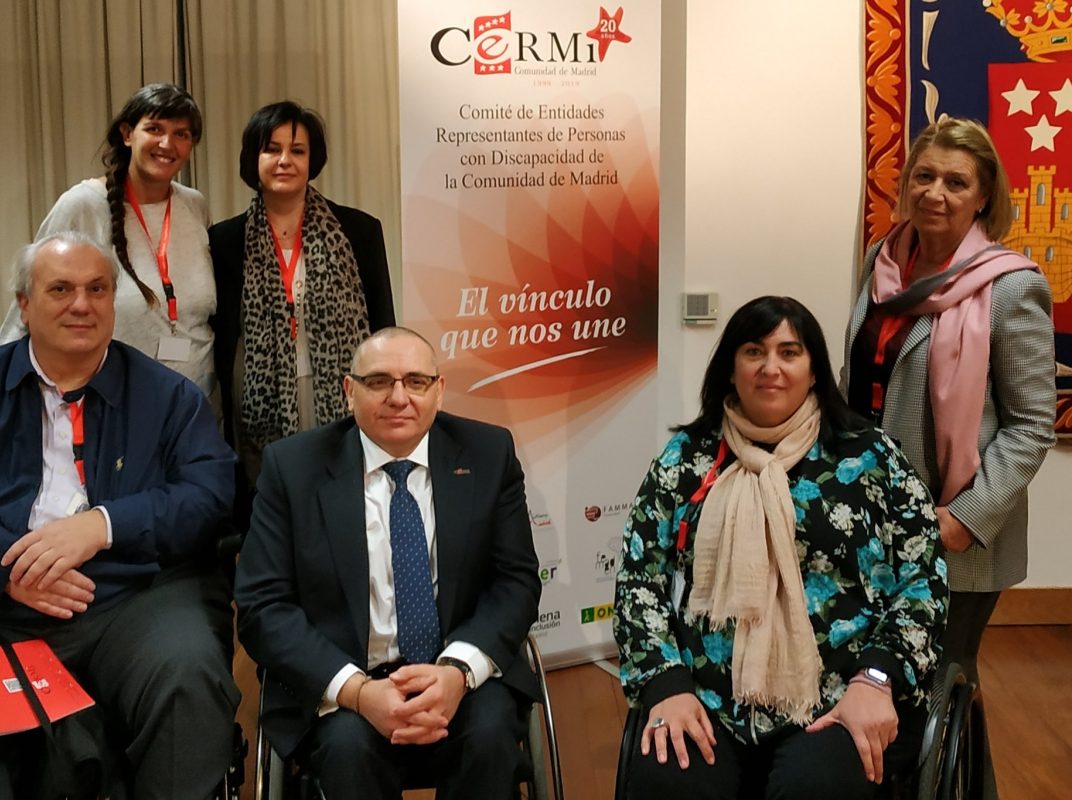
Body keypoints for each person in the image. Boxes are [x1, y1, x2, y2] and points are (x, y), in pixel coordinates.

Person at [0, 232, 240, 799]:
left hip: (133, 598)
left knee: (188, 676)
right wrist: (5, 570)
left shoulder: (170, 398)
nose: (82, 304)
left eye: (98, 289)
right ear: (24, 304)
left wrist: (103, 524)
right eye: (61, 289)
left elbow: (212, 493)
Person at [614, 296, 947, 800]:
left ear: (814, 371)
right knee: (671, 780)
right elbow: (641, 578)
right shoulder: (686, 459)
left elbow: (923, 580)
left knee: (815, 789)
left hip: (839, 697)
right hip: (706, 698)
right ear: (731, 367)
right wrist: (667, 686)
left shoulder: (870, 457)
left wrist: (876, 679)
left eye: (789, 352)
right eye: (754, 351)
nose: (771, 367)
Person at [841, 117, 1055, 797]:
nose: (935, 192)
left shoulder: (1012, 288)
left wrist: (961, 518)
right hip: (871, 521)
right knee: (883, 689)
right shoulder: (885, 259)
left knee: (941, 693)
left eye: (956, 181)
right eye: (923, 176)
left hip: (954, 535)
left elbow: (1029, 427)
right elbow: (863, 383)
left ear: (983, 197)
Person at [234, 326, 540, 800]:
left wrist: (458, 672)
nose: (399, 397)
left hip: (456, 675)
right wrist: (356, 691)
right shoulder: (292, 469)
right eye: (379, 381)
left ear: (438, 391)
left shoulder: (488, 453)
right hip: (347, 684)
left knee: (491, 735)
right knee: (346, 752)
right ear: (348, 390)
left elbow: (516, 581)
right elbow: (262, 605)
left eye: (416, 381)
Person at [209, 100, 395, 526]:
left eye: (297, 150)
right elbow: (222, 332)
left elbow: (382, 321)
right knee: (277, 500)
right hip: (259, 394)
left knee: (342, 492)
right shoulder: (225, 239)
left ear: (313, 160)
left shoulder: (360, 230)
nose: (284, 161)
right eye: (271, 149)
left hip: (341, 387)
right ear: (253, 158)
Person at [0, 83, 217, 400]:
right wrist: (1, 392)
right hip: (115, 406)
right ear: (127, 134)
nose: (167, 143)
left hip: (197, 408)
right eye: (154, 129)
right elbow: (30, 306)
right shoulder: (83, 204)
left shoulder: (195, 205)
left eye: (181, 134)